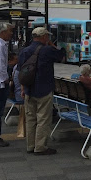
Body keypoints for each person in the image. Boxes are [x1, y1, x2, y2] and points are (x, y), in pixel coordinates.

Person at [18, 27, 66, 155]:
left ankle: (30, 145)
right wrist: (52, 45)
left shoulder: (25, 51)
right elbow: (61, 56)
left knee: (31, 119)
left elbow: (21, 71)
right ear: (44, 36)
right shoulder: (47, 50)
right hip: (44, 89)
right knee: (43, 119)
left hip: (29, 90)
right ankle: (40, 147)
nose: (49, 38)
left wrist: (23, 89)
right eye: (47, 36)